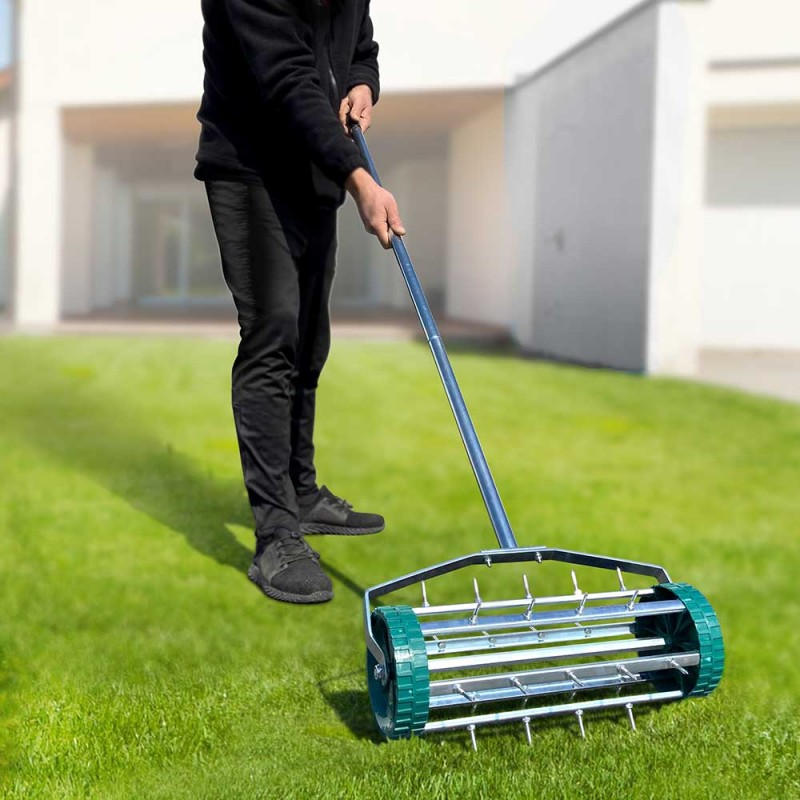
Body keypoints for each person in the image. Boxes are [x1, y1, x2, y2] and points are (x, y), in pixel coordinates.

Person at [194, 0, 405, 605]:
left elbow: (358, 43)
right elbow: (285, 74)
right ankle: (276, 534)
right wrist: (358, 178)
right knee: (274, 331)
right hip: (250, 166)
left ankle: (302, 491)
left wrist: (364, 83)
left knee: (311, 336)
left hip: (312, 165)